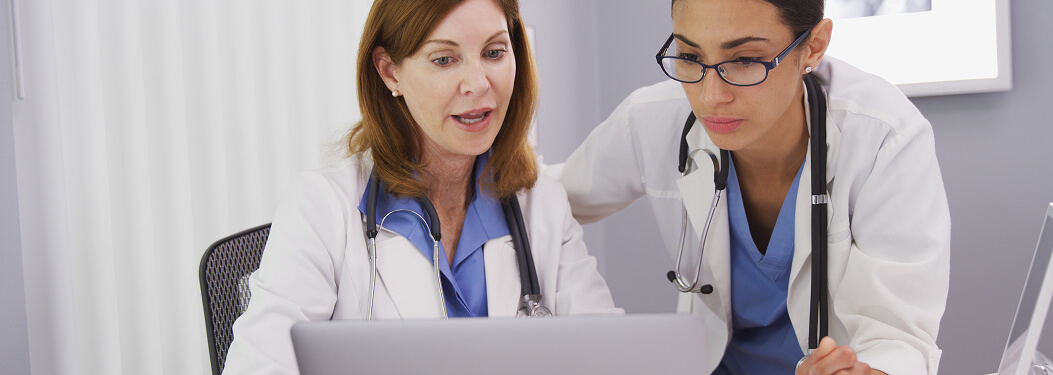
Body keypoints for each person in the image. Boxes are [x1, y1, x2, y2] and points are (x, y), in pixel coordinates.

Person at [544, 0, 949, 374]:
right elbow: (544, 198)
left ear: (813, 46)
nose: (711, 96)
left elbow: (897, 338)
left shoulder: (884, 139)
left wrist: (868, 371)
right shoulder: (654, 119)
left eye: (745, 60)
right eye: (690, 56)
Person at [222, 0, 620, 373]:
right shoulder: (322, 210)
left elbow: (614, 357)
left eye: (494, 52)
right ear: (390, 71)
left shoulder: (542, 208)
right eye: (445, 59)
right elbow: (259, 365)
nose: (478, 83)